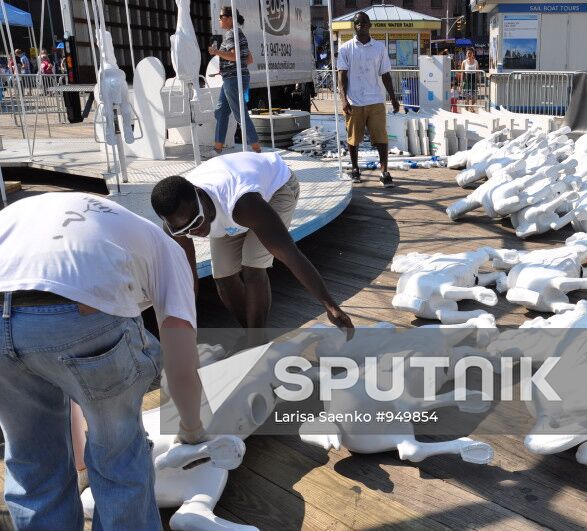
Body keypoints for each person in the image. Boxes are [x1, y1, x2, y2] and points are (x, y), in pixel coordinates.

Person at [0, 192, 205, 530]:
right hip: (80, 310)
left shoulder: (27, 210)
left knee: (32, 458)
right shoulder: (166, 248)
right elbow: (181, 356)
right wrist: (192, 429)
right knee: (118, 454)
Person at [150, 151, 354, 344]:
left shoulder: (243, 205)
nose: (194, 232)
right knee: (223, 276)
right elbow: (188, 276)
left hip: (276, 188)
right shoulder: (176, 226)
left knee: (253, 267)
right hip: (226, 206)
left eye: (196, 222)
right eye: (184, 229)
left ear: (200, 196)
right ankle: (254, 338)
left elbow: (290, 254)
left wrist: (329, 305)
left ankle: (256, 342)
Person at [337, 12, 400, 188]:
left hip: (376, 101)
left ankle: (384, 171)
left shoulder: (379, 48)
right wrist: (343, 100)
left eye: (364, 22)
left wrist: (393, 98)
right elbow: (341, 77)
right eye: (357, 23)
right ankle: (355, 169)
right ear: (353, 26)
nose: (361, 25)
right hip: (354, 102)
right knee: (353, 139)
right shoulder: (345, 48)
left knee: (381, 137)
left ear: (370, 25)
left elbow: (386, 74)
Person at [206, 6, 261, 157]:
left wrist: (216, 52)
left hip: (233, 80)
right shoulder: (239, 34)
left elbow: (236, 56)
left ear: (230, 18)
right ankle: (217, 148)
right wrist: (225, 68)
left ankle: (257, 149)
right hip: (233, 77)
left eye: (221, 17)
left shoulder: (231, 34)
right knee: (221, 111)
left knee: (240, 114)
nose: (219, 20)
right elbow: (248, 59)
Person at [460, 47, 479, 112]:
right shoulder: (464, 62)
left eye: (470, 53)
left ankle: (471, 107)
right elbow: (462, 73)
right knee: (467, 97)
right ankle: (466, 110)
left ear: (473, 54)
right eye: (468, 53)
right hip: (466, 80)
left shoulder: (476, 62)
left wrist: (478, 82)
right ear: (466, 54)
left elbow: (477, 72)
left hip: (473, 81)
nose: (469, 54)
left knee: (474, 97)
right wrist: (461, 84)